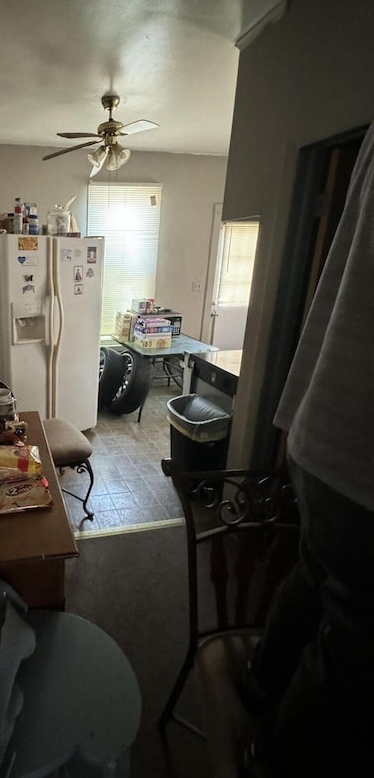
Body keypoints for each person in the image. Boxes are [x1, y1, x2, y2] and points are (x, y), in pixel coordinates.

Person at [240, 120, 374, 777]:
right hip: (360, 453)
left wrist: (291, 410)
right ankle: (271, 756)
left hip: (323, 424)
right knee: (353, 648)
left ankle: (259, 680)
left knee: (319, 572)